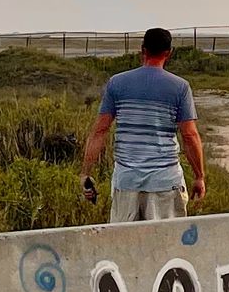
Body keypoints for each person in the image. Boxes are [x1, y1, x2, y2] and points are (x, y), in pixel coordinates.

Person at [80, 28, 206, 222]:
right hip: (165, 182)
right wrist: (199, 176)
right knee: (166, 246)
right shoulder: (180, 87)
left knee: (125, 246)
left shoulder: (117, 83)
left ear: (143, 50)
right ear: (169, 53)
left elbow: (100, 130)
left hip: (126, 181)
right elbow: (190, 135)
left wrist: (85, 173)